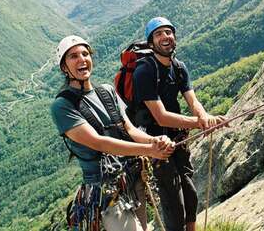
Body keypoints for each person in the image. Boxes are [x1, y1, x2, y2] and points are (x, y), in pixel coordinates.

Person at [51, 35, 174, 231]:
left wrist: (155, 141)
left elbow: (129, 130)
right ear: (64, 67)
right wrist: (150, 150)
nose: (82, 59)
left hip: (131, 179)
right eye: (73, 56)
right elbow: (99, 142)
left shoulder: (106, 92)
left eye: (85, 54)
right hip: (105, 189)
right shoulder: (63, 105)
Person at [132, 17, 226, 231]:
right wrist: (200, 123)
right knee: (174, 201)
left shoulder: (179, 67)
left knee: (190, 194)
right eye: (159, 34)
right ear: (150, 43)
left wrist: (205, 117)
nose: (166, 37)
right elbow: (161, 117)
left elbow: (193, 101)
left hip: (178, 138)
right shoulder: (144, 71)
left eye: (169, 32)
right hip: (156, 144)